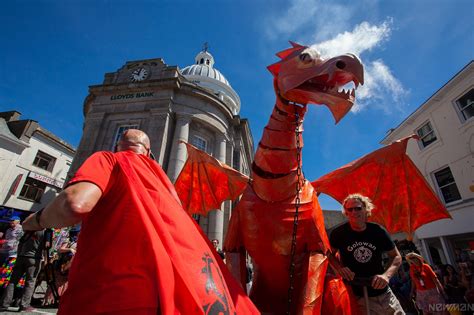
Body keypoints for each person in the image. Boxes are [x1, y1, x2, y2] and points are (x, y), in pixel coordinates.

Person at [21, 129, 257, 315]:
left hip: (104, 296)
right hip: (161, 298)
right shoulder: (166, 184)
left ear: (118, 146)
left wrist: (37, 220)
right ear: (149, 153)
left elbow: (74, 204)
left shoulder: (108, 159)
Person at [329, 193, 405, 315]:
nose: (354, 211)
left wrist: (386, 276)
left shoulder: (378, 231)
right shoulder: (338, 233)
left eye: (358, 208)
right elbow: (329, 254)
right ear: (346, 213)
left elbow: (396, 256)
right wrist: (340, 268)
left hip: (384, 294)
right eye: (350, 209)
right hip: (356, 295)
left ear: (366, 209)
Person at [0, 229, 45, 312]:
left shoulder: (26, 230)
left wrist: (19, 255)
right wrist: (45, 261)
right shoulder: (43, 231)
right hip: (34, 258)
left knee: (13, 281)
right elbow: (46, 247)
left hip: (21, 257)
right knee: (30, 282)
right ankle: (24, 305)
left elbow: (19, 243)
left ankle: (4, 304)